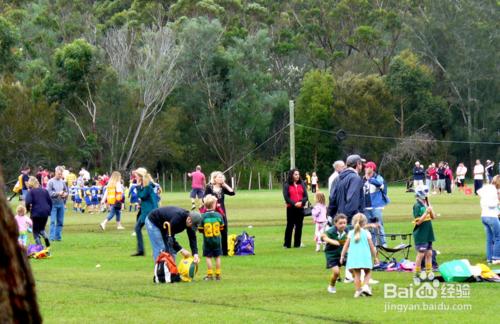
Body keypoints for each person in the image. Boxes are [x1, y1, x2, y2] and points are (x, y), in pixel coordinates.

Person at [340, 213, 377, 298]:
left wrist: (342, 256)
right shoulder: (367, 233)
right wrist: (375, 257)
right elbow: (372, 246)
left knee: (357, 275)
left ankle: (358, 291)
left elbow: (346, 246)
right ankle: (365, 286)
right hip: (365, 256)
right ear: (364, 223)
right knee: (368, 272)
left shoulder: (350, 233)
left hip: (354, 257)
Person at [204, 171, 235, 255]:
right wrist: (213, 200)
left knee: (224, 232)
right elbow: (204, 198)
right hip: (212, 212)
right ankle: (214, 251)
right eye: (219, 177)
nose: (221, 178)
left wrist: (225, 185)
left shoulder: (222, 188)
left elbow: (232, 193)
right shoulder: (209, 187)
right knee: (213, 232)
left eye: (222, 177)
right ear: (214, 178)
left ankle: (224, 253)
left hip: (222, 212)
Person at [328, 154, 365, 225]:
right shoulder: (355, 178)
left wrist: (332, 217)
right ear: (358, 164)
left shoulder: (337, 178)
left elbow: (332, 199)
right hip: (350, 221)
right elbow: (352, 200)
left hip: (339, 221)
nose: (362, 166)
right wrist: (346, 220)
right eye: (361, 163)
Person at [132, 168, 158, 256]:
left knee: (152, 230)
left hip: (149, 211)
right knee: (138, 228)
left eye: (136, 176)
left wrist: (138, 186)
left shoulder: (147, 185)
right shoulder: (147, 184)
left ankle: (143, 250)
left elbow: (142, 195)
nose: (135, 177)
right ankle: (141, 250)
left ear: (140, 176)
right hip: (147, 210)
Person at [363, 161, 389, 247]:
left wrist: (369, 179)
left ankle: (383, 244)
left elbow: (380, 185)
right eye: (365, 167)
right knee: (370, 226)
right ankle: (372, 244)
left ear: (372, 168)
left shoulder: (378, 178)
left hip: (376, 205)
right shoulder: (363, 179)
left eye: (367, 167)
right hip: (366, 206)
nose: (365, 169)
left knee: (379, 224)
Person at [412, 185, 436, 281]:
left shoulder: (426, 203)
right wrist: (426, 212)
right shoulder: (417, 205)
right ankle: (416, 274)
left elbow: (433, 217)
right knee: (421, 254)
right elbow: (418, 222)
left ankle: (429, 273)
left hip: (428, 232)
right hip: (421, 233)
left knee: (429, 253)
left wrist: (430, 210)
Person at [199, 194, 224, 280]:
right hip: (217, 241)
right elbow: (222, 228)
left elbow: (200, 229)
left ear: (205, 205)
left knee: (208, 257)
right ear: (214, 205)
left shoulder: (203, 216)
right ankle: (218, 274)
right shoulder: (219, 216)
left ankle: (209, 275)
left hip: (207, 241)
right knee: (217, 257)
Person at [321, 214, 348, 294]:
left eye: (344, 223)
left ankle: (361, 287)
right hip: (331, 254)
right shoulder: (331, 230)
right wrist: (332, 241)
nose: (343, 225)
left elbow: (358, 228)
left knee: (353, 269)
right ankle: (331, 286)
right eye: (340, 223)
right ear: (335, 223)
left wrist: (370, 225)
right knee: (336, 272)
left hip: (343, 254)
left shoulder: (347, 229)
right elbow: (323, 236)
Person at [477, 175, 500, 265]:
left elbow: (478, 192)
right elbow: (492, 204)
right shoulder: (494, 190)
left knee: (489, 239)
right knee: (498, 237)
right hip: (492, 216)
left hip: (484, 215)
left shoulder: (486, 187)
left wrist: (483, 200)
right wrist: (497, 201)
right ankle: (496, 258)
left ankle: (489, 259)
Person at [282, 168, 308, 248]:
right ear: (291, 175)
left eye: (298, 174)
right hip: (291, 208)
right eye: (295, 174)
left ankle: (297, 243)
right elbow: (286, 197)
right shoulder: (287, 185)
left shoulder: (302, 184)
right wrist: (294, 204)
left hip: (300, 208)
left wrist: (301, 202)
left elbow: (306, 196)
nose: (297, 176)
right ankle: (287, 244)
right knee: (290, 225)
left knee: (299, 226)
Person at [24, 177, 52, 248]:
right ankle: (46, 237)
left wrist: (27, 209)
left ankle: (39, 246)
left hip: (36, 212)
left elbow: (28, 202)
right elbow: (50, 202)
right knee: (42, 228)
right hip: (45, 212)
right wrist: (49, 211)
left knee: (35, 230)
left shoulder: (31, 191)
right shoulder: (45, 191)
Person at [47, 166, 68, 241]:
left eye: (61, 174)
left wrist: (65, 194)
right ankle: (51, 238)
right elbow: (48, 193)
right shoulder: (50, 182)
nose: (60, 175)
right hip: (53, 204)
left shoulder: (63, 182)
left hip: (61, 203)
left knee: (60, 221)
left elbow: (66, 191)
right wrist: (58, 193)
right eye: (59, 174)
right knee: (52, 221)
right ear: (55, 172)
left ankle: (58, 237)